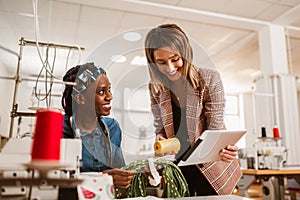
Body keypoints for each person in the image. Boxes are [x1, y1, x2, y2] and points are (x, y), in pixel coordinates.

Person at [144, 24, 242, 196]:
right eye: (161, 62)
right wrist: (160, 138)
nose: (170, 67)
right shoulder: (155, 87)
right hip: (178, 166)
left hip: (210, 165)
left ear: (186, 54)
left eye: (175, 59)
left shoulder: (209, 79)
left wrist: (224, 148)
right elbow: (160, 128)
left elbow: (215, 128)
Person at [61, 62, 135, 189]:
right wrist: (103, 179)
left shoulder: (112, 128)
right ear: (80, 99)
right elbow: (54, 180)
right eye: (101, 92)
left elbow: (119, 172)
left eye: (109, 90)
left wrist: (136, 174)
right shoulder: (59, 129)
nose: (110, 97)